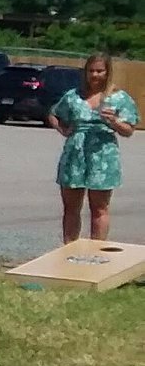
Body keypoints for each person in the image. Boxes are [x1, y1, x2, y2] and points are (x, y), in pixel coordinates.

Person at [48, 52, 136, 243]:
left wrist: (113, 121)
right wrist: (63, 128)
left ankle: (96, 254)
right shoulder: (73, 95)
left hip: (103, 156)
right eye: (91, 71)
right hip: (75, 154)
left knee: (99, 208)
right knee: (71, 208)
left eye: (100, 71)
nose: (95, 75)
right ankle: (69, 251)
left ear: (108, 72)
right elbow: (54, 113)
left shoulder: (119, 98)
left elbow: (129, 130)